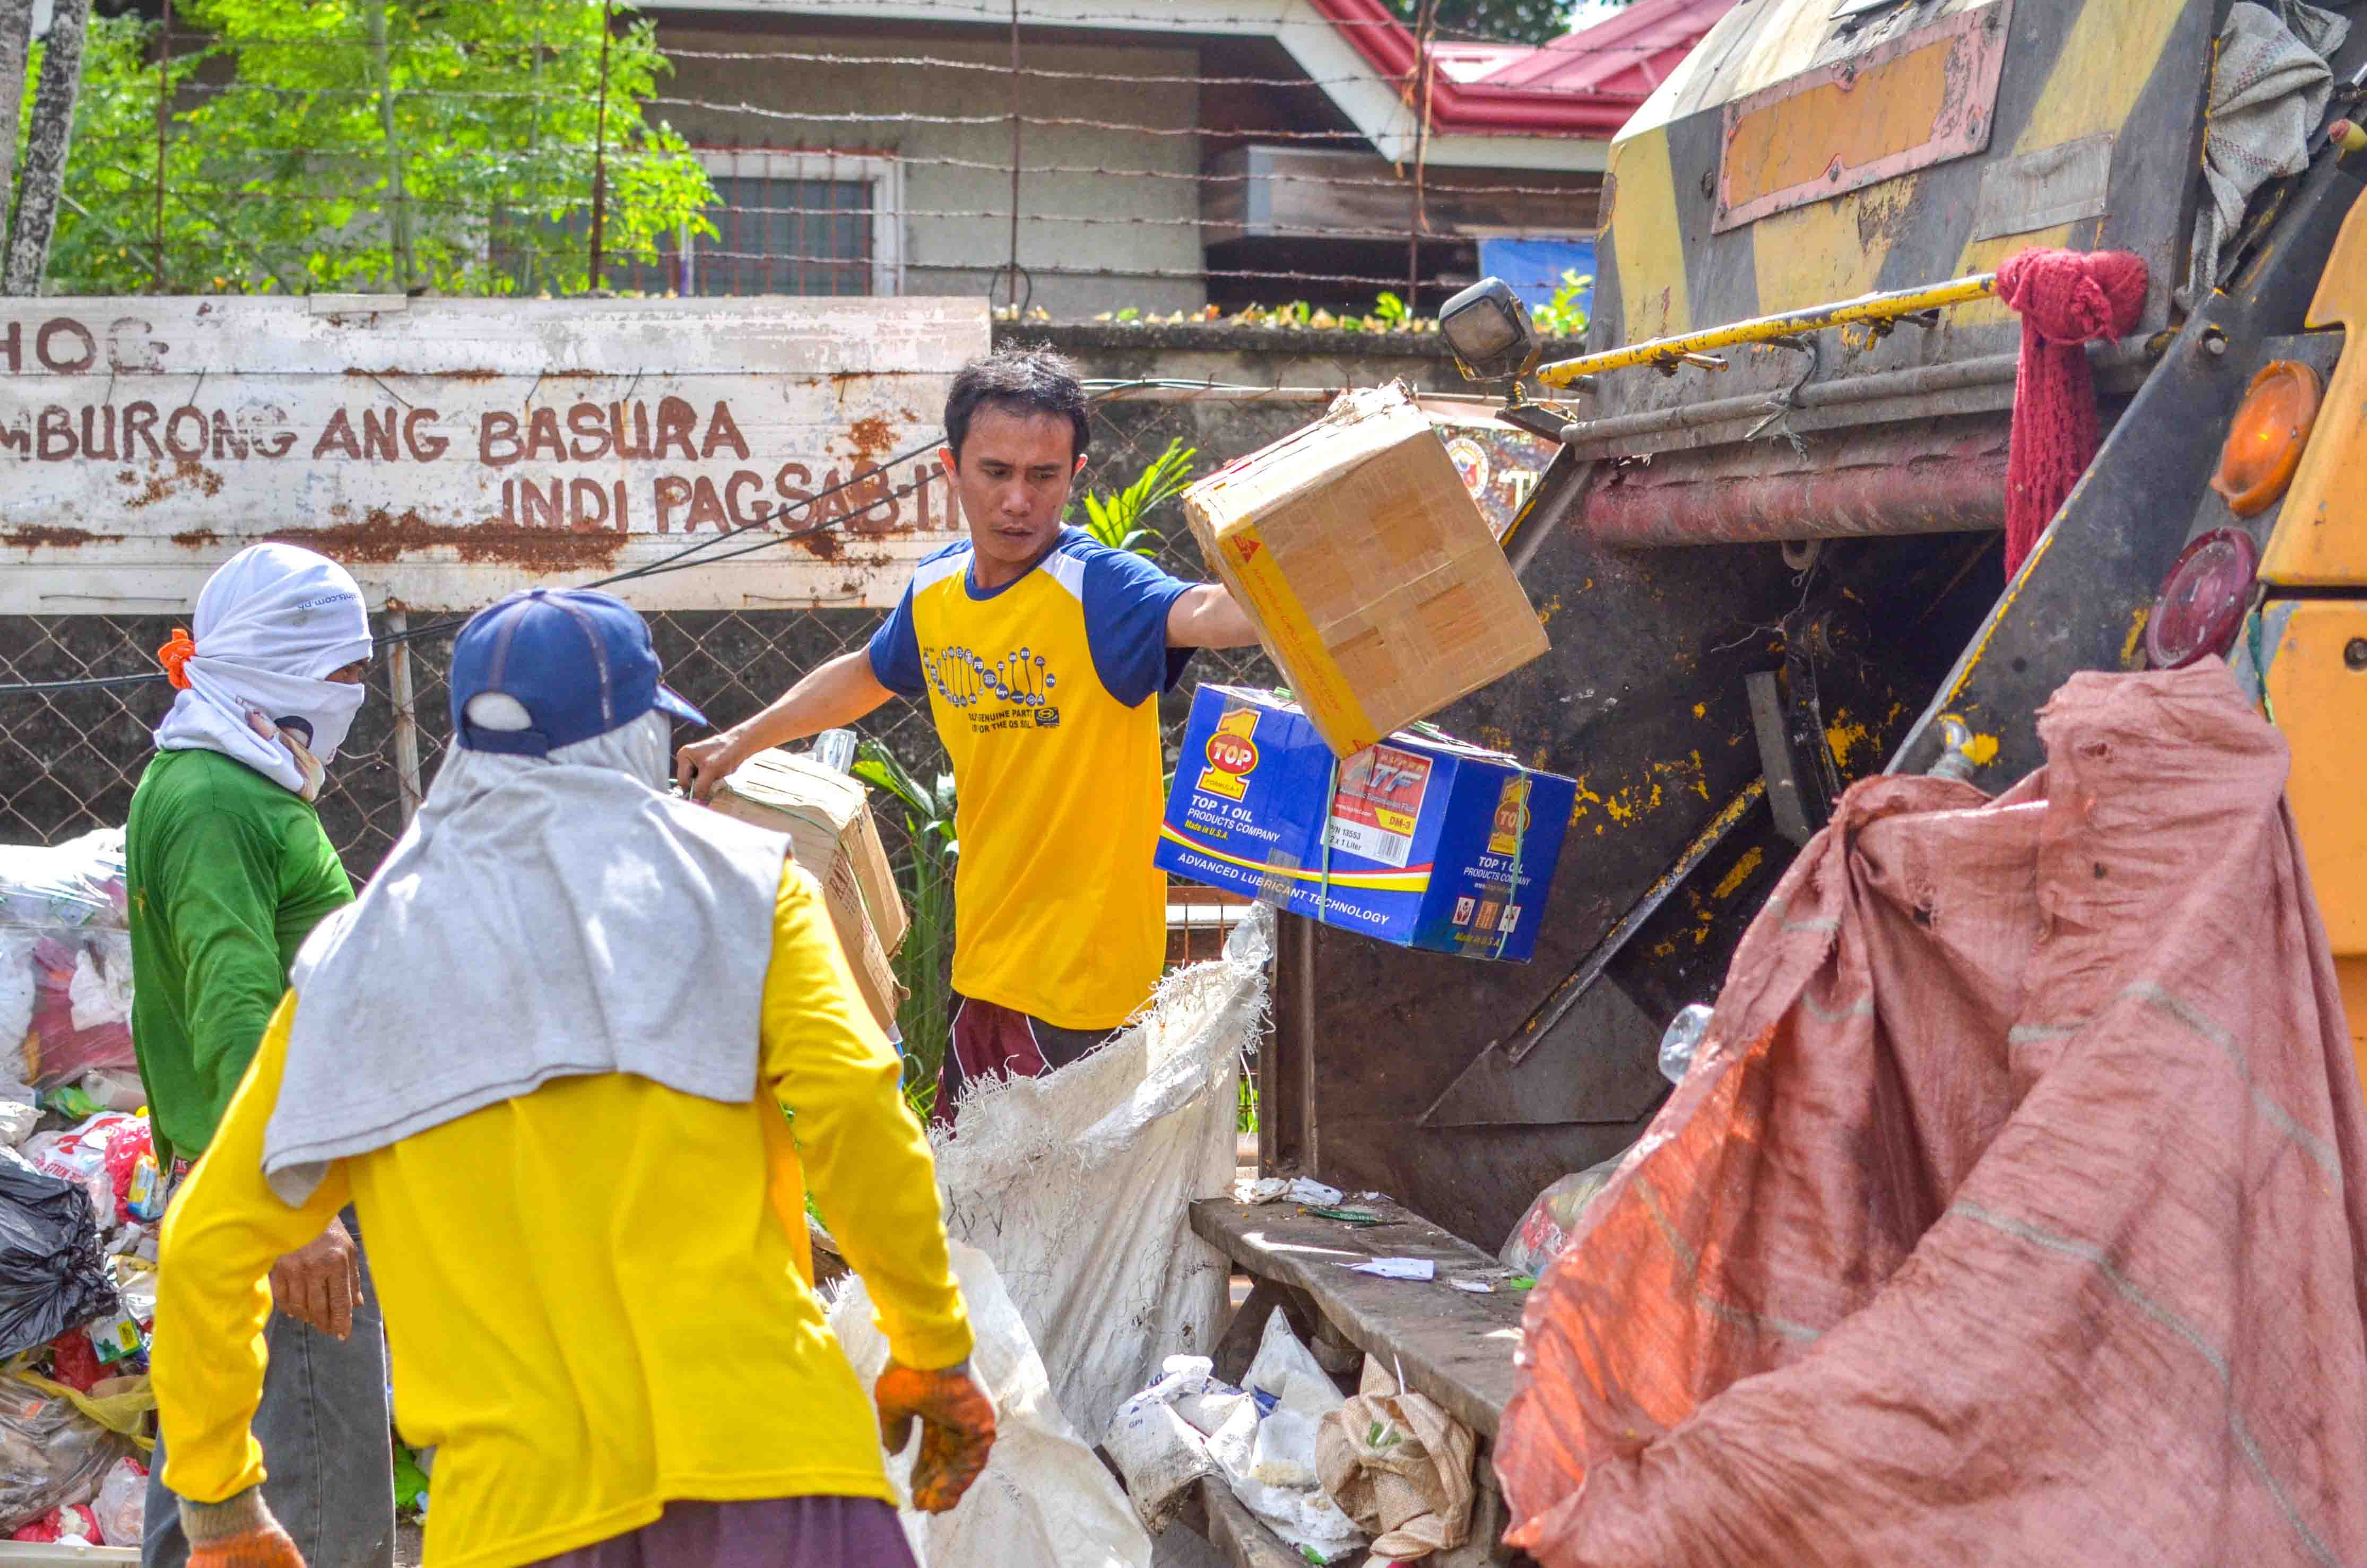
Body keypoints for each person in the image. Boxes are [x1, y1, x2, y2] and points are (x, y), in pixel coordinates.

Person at [149, 587, 993, 1568]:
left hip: (515, 1528)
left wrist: (220, 1505)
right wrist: (931, 1347)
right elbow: (856, 1108)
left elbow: (204, 1247)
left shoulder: (356, 966)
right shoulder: (749, 889)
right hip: (778, 1475)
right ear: (634, 735)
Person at [677, 348, 1260, 1123]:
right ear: (951, 469)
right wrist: (740, 741)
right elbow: (866, 673)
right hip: (984, 961)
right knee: (976, 1213)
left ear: (1074, 474)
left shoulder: (1100, 589)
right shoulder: (938, 590)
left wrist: (1274, 540)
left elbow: (1216, 616)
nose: (1018, 500)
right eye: (995, 472)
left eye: (1043, 477)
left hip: (1082, 979)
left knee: (1050, 1222)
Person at [126, 543, 393, 1568]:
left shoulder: (222, 774)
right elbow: (236, 1011)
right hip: (284, 1184)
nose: (357, 695)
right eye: (343, 671)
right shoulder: (218, 800)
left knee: (214, 1480)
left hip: (260, 1178)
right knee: (313, 1500)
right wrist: (297, 1208)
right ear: (279, 666)